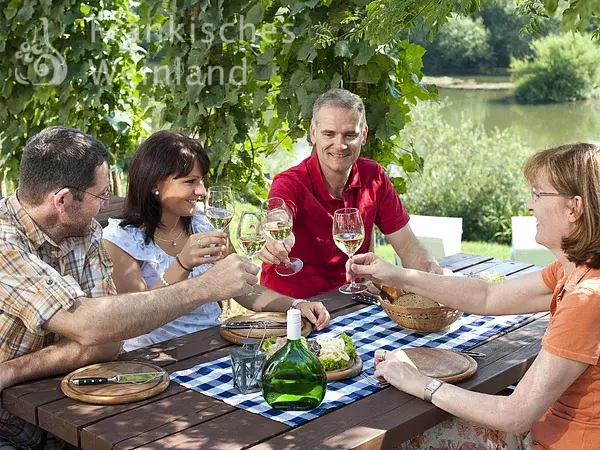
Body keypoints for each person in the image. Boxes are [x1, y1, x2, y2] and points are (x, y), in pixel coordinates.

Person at [0, 126, 260, 449]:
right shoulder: (4, 241)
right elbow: (89, 324)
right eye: (101, 195)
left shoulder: (86, 232)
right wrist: (203, 286)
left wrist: (12, 370)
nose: (106, 203)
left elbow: (107, 339)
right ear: (63, 200)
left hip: (69, 415)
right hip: (8, 428)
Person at [347, 142, 600, 449]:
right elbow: (486, 296)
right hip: (543, 431)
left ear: (574, 208)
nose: (529, 205)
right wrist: (398, 275)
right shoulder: (572, 273)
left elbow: (516, 415)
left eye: (538, 193)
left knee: (399, 440)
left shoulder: (586, 299)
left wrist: (419, 383)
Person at [102, 130, 330, 351]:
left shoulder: (202, 223)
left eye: (201, 180)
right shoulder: (121, 240)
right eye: (190, 181)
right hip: (157, 356)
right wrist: (182, 265)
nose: (201, 191)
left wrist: (296, 305)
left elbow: (244, 291)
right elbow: (138, 318)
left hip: (211, 346)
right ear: (155, 184)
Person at [259, 88, 447, 299]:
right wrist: (272, 233)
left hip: (351, 303)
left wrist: (436, 275)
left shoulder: (373, 176)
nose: (339, 145)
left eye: (350, 135)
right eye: (329, 134)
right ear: (313, 134)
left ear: (364, 135)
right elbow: (277, 215)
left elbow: (409, 247)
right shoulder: (290, 182)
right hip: (291, 309)